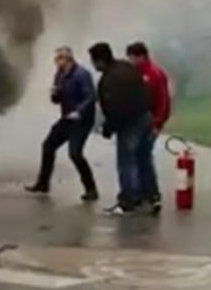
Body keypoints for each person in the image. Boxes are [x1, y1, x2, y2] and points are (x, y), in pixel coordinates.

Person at [25, 47, 99, 201]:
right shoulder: (60, 74)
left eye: (59, 58)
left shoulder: (82, 74)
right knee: (48, 145)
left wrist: (79, 111)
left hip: (81, 120)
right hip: (67, 118)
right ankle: (43, 183)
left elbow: (91, 96)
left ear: (68, 59)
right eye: (56, 59)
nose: (56, 62)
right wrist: (55, 95)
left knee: (75, 154)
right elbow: (57, 99)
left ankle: (91, 189)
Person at [88, 42, 151, 215]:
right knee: (143, 160)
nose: (93, 65)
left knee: (126, 161)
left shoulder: (110, 80)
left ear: (100, 61)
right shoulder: (127, 67)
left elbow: (117, 109)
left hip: (130, 123)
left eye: (93, 61)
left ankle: (127, 201)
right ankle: (147, 195)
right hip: (144, 117)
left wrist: (108, 128)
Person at [126, 41, 171, 214]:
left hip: (150, 122)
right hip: (137, 122)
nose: (130, 61)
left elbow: (163, 100)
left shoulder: (154, 74)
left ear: (141, 56)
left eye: (132, 57)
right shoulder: (134, 73)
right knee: (138, 157)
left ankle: (151, 193)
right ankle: (141, 192)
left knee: (143, 158)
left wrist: (158, 123)